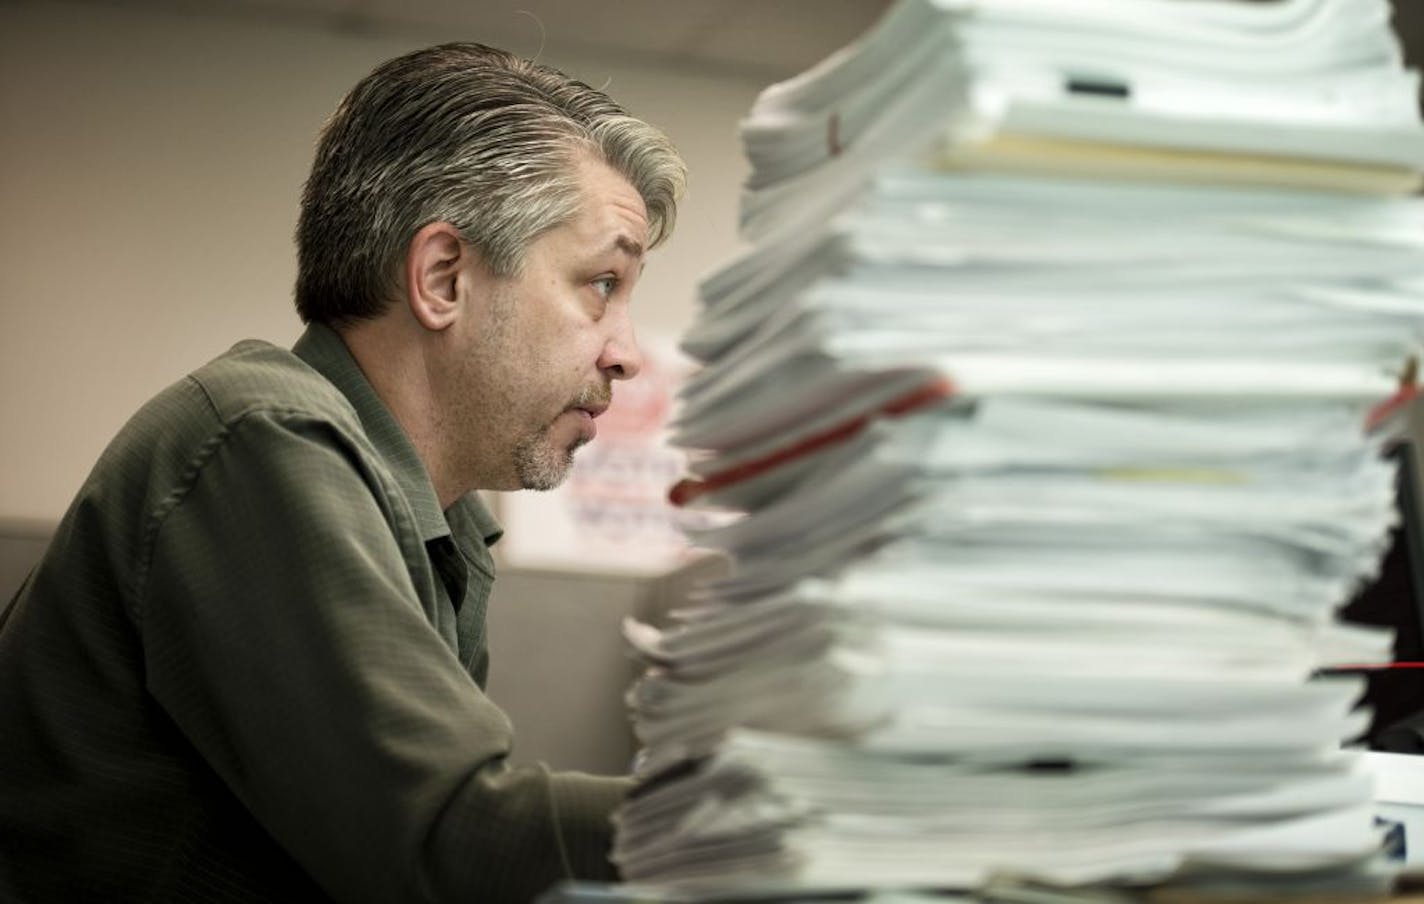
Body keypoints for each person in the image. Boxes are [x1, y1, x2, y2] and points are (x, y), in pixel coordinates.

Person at [0, 42, 685, 903]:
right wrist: (805, 825)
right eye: (602, 282)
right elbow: (446, 836)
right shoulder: (262, 440)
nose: (626, 353)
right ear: (443, 277)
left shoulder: (441, 519)